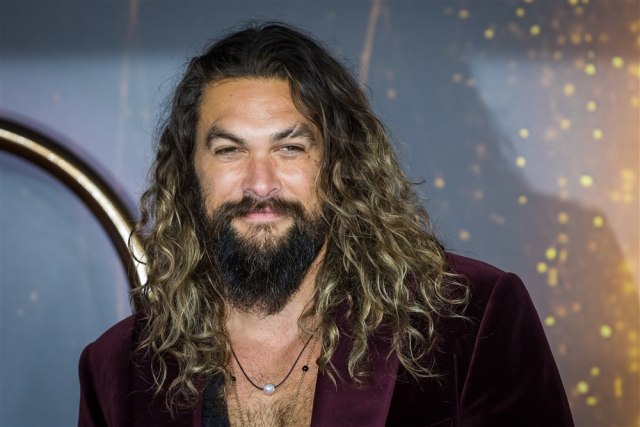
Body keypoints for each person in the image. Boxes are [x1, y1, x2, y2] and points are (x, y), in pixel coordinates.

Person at [78, 22, 573, 426]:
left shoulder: (471, 319)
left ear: (340, 164)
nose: (260, 183)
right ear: (189, 173)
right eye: (229, 150)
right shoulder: (117, 369)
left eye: (290, 147)